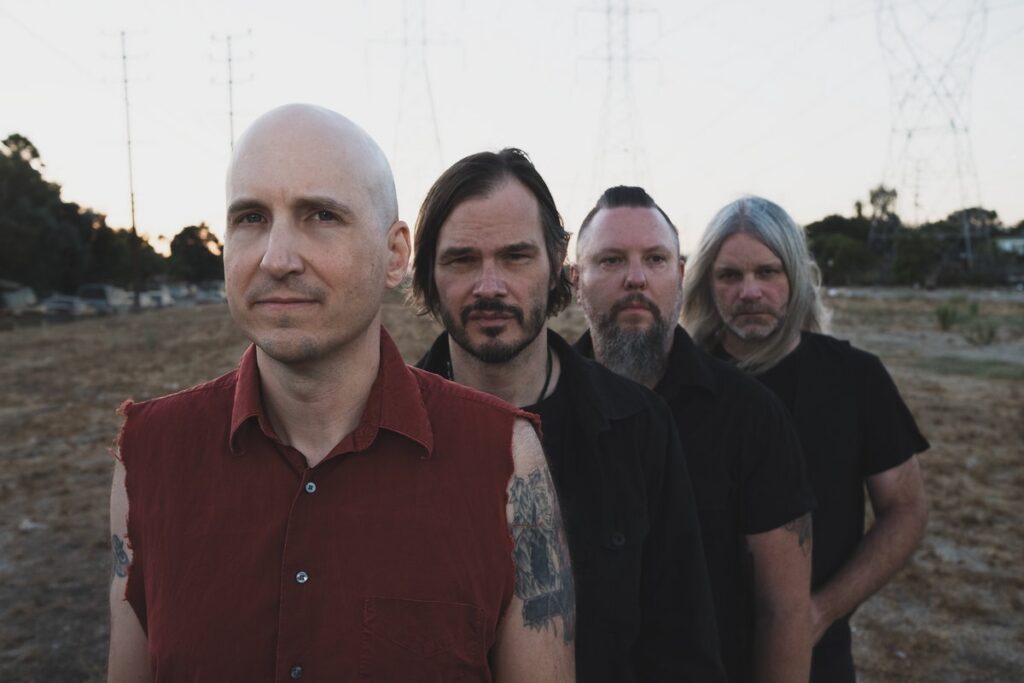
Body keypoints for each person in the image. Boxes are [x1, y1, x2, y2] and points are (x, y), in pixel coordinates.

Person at [107, 105, 575, 682]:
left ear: (396, 255)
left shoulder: (505, 455)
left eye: (321, 215)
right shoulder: (150, 455)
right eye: (251, 217)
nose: (277, 259)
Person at [412, 149, 725, 682]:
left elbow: (682, 649)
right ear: (428, 271)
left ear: (558, 264)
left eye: (516, 257)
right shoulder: (388, 435)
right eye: (462, 259)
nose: (490, 286)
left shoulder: (639, 427)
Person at [573, 186, 816, 683]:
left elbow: (785, 612)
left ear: (682, 275)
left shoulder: (750, 416)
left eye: (655, 259)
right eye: (611, 260)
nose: (636, 278)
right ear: (576, 281)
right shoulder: (543, 407)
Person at [682, 194, 929, 682]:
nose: (749, 291)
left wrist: (821, 611)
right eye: (729, 276)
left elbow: (905, 509)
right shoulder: (680, 382)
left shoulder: (855, 379)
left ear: (795, 277)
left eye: (768, 272)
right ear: (706, 285)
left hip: (817, 653)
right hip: (691, 656)